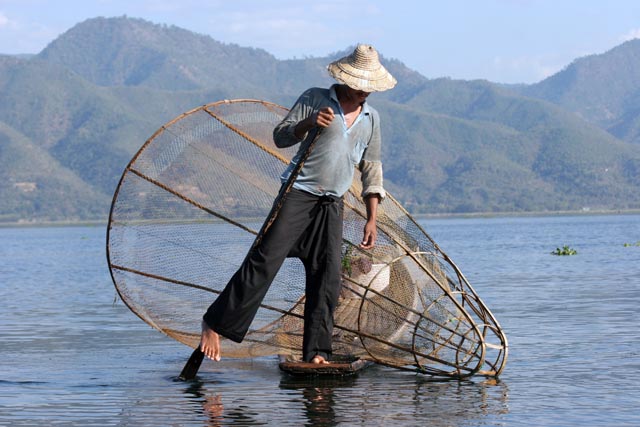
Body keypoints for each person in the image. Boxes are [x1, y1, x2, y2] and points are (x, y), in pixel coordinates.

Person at [200, 44, 397, 364]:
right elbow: (281, 136)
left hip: (333, 203)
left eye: (370, 87)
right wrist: (308, 125)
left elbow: (371, 168)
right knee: (264, 262)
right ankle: (214, 322)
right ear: (347, 80)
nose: (366, 92)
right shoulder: (316, 99)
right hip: (299, 194)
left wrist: (372, 217)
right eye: (362, 85)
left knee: (328, 276)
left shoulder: (372, 119)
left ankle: (317, 352)